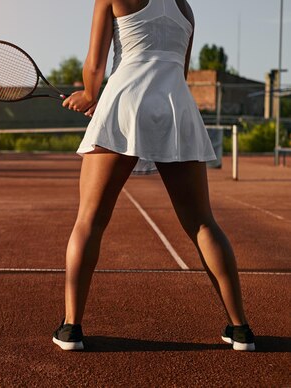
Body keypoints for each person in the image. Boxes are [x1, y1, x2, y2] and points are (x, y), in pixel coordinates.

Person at [52, 0, 255, 352]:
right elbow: (182, 70)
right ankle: (240, 330)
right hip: (176, 106)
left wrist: (88, 95)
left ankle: (71, 329)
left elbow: (95, 66)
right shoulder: (186, 8)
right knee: (203, 223)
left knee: (90, 220)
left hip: (125, 102)